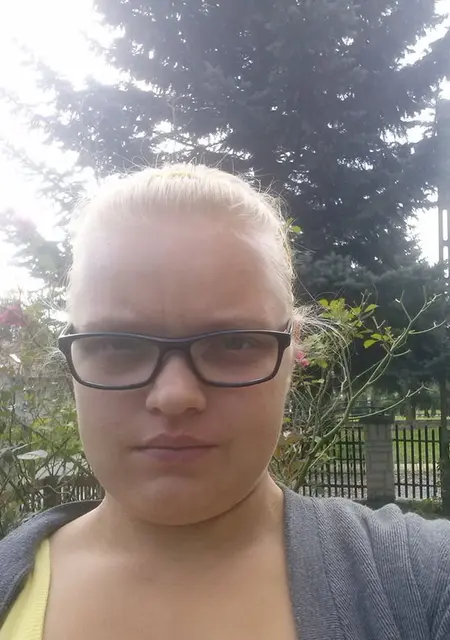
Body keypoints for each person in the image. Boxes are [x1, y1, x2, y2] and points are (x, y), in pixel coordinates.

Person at [0, 164, 449, 640]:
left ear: (291, 355)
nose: (174, 396)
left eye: (233, 343)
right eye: (117, 345)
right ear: (72, 355)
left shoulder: (424, 581)